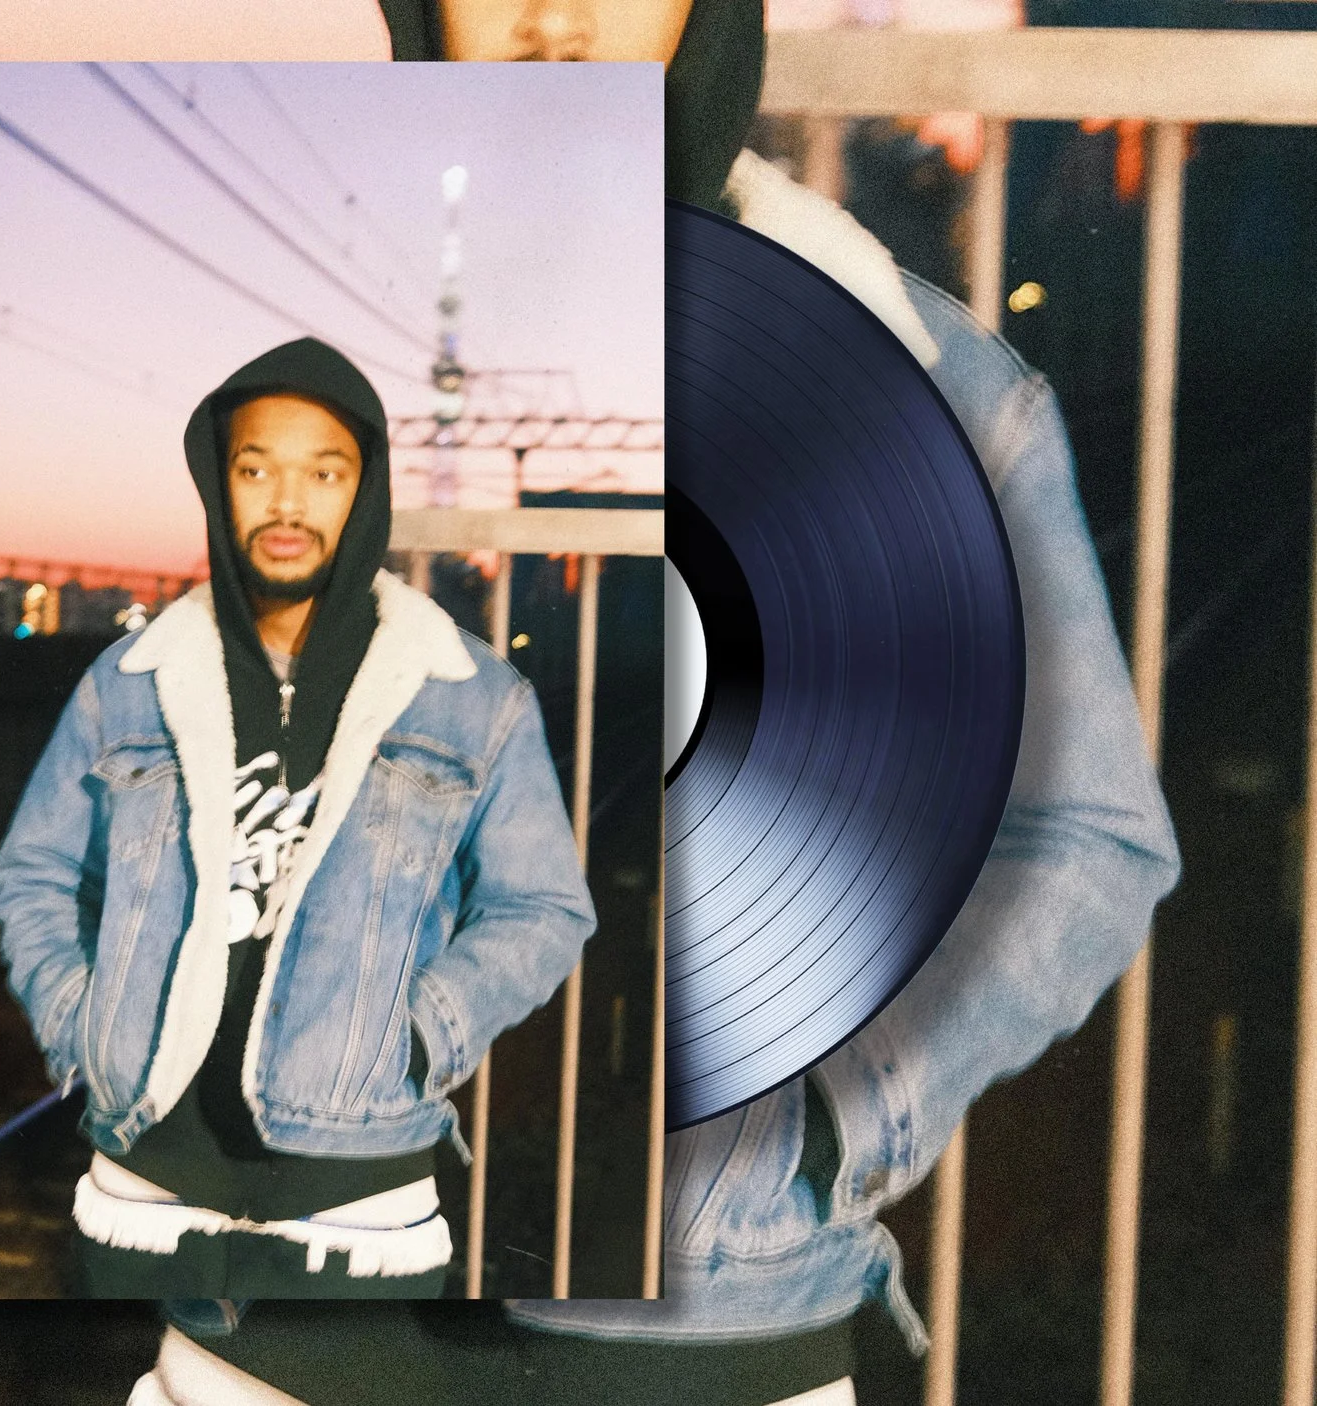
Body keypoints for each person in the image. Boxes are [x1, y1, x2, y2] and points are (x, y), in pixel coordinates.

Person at [121, 0, 1182, 1400]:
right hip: (283, 1318)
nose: (554, 16)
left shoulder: (920, 384)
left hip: (707, 1335)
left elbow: (1083, 839)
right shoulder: (257, 353)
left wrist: (822, 1126)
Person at [0, 336, 599, 1300]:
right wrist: (81, 1024)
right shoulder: (129, 682)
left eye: (324, 472)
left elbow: (543, 908)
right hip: (144, 1183)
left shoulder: (469, 696)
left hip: (361, 1199)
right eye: (255, 469)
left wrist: (417, 1038)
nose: (286, 502)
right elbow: (37, 873)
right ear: (218, 485)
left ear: (365, 490)